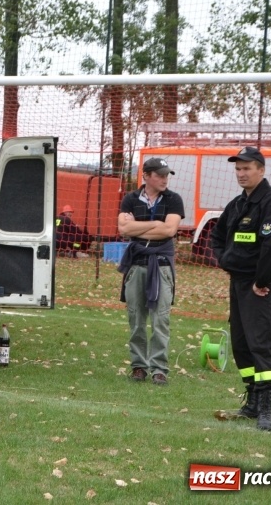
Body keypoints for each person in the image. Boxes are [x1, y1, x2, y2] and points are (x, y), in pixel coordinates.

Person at [210, 146, 271, 431]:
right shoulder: (237, 204)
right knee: (241, 343)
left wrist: (262, 281)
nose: (241, 173)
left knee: (260, 343)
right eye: (238, 169)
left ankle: (267, 407)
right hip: (238, 282)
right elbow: (218, 235)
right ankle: (252, 401)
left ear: (261, 169)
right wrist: (224, 259)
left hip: (261, 285)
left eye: (247, 168)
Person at [117, 158, 185, 386]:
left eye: (167, 174)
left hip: (162, 266)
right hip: (136, 266)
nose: (165, 178)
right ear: (146, 175)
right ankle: (138, 366)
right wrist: (156, 224)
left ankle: (159, 369)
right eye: (160, 174)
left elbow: (169, 229)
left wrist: (142, 227)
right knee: (136, 318)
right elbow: (124, 228)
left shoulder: (174, 200)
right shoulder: (130, 199)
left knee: (161, 320)